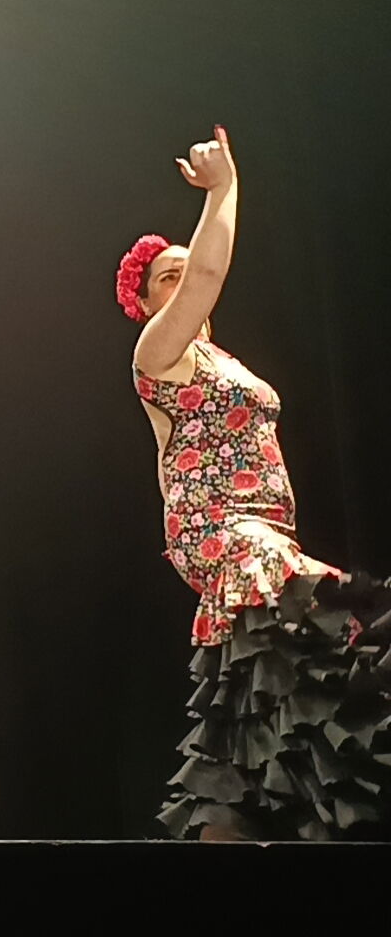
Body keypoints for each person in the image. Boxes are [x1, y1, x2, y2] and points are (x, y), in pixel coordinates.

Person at [118, 126, 389, 840]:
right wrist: (224, 190)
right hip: (221, 533)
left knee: (289, 681)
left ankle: (250, 805)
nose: (184, 280)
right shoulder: (157, 354)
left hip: (267, 533)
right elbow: (209, 272)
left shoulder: (224, 361)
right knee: (327, 616)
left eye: (184, 270)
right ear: (144, 303)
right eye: (166, 278)